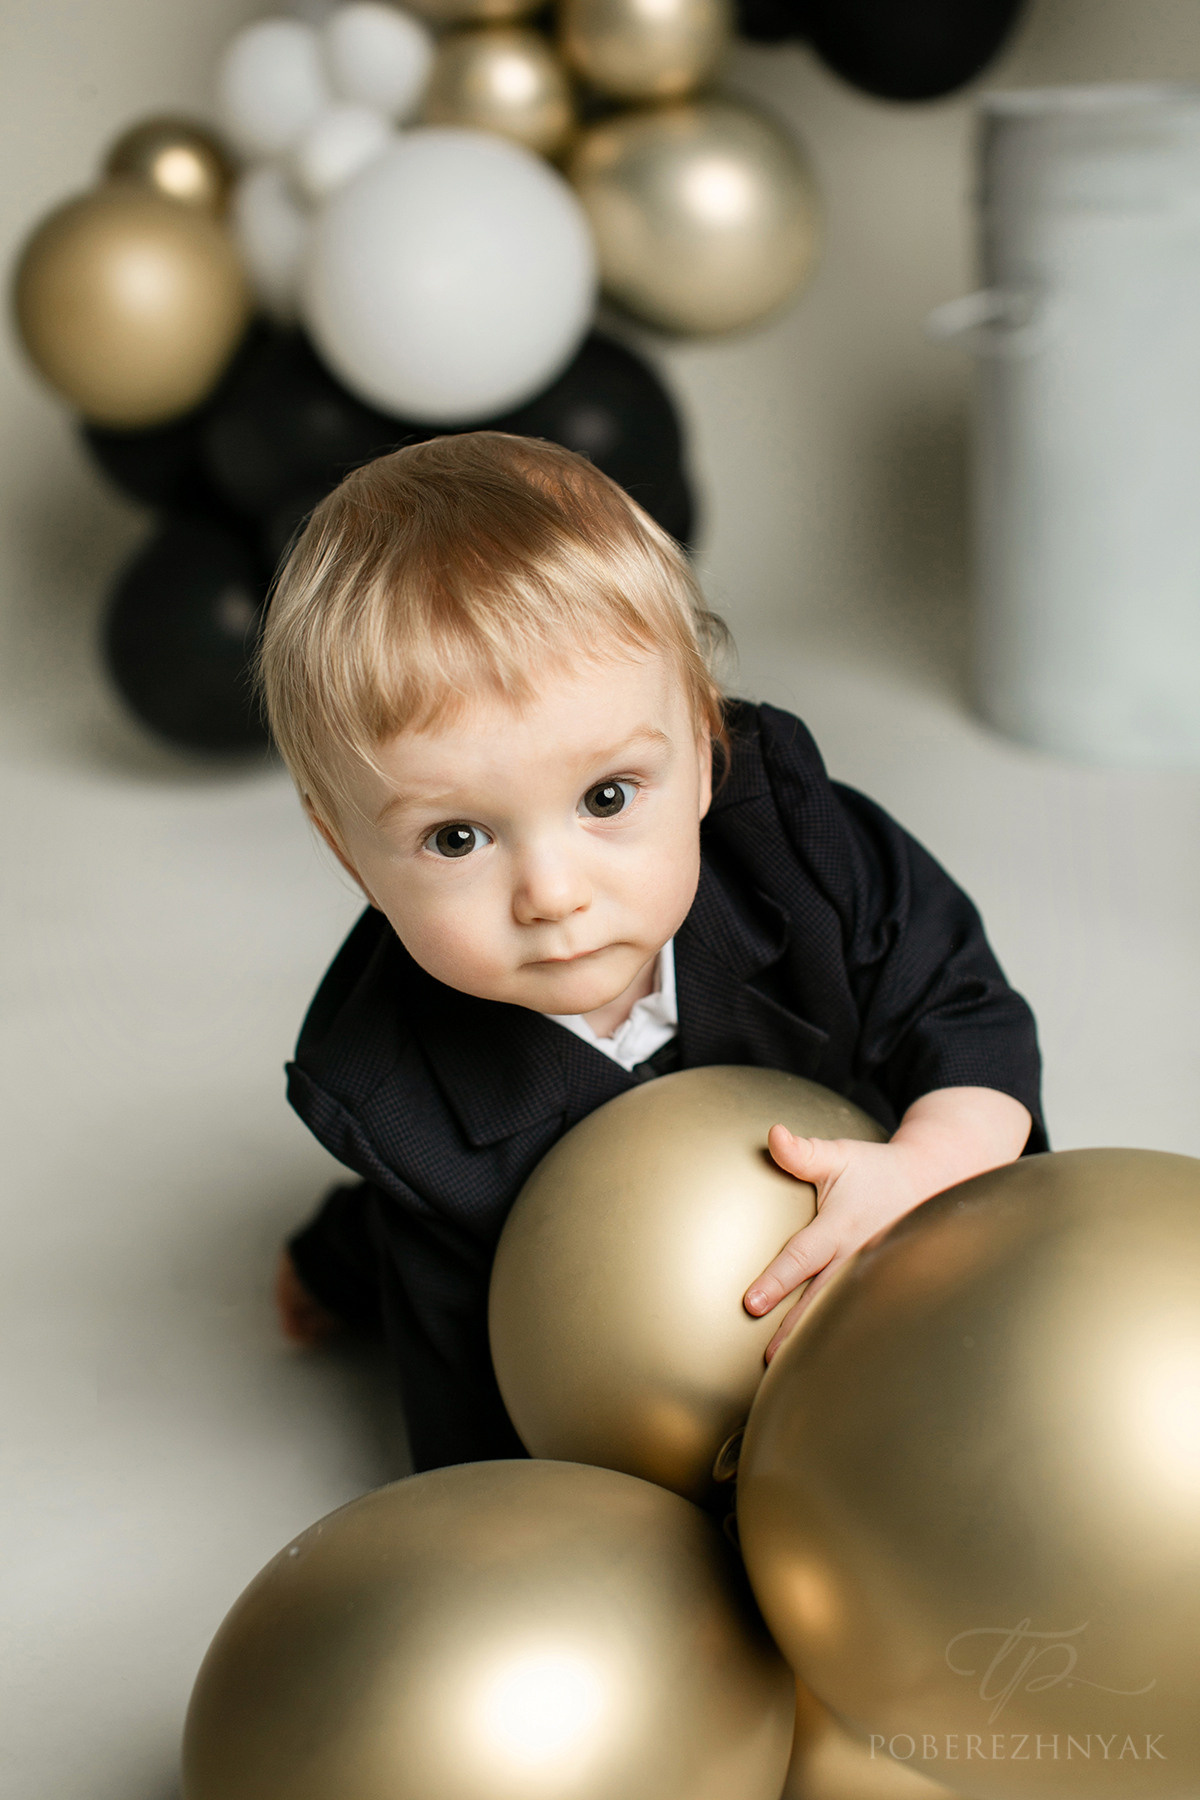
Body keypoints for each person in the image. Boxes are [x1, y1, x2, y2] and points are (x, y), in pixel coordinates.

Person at [259, 431, 1045, 1474]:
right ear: (346, 852)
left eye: (606, 798)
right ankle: (334, 1255)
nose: (553, 894)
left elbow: (965, 1017)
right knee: (414, 1229)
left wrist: (931, 1166)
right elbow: (475, 1398)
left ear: (708, 750)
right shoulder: (396, 1086)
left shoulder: (802, 857)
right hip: (512, 1237)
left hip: (860, 1166)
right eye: (456, 838)